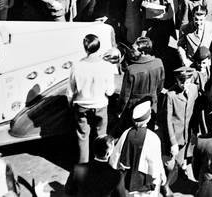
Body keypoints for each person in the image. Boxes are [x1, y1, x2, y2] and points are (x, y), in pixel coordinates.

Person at [69, 34, 117, 164]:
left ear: (85, 48)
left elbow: (70, 91)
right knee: (101, 136)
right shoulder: (107, 66)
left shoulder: (77, 66)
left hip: (81, 105)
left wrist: (71, 103)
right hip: (100, 105)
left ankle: (83, 165)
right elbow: (110, 91)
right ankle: (99, 164)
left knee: (82, 136)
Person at [109, 100, 165, 196]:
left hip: (127, 182)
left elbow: (115, 156)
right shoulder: (153, 138)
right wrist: (160, 177)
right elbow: (155, 162)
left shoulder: (126, 133)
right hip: (145, 184)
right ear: (148, 118)